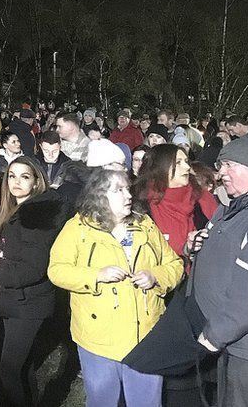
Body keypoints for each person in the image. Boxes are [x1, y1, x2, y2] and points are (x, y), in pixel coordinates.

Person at [49, 169, 184, 407]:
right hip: (98, 338)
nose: (128, 195)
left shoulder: (145, 225)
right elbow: (57, 270)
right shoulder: (78, 228)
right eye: (118, 190)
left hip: (146, 337)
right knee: (103, 401)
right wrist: (96, 276)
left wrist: (155, 276)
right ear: (99, 196)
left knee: (146, 403)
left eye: (127, 189)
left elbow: (174, 264)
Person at [0, 156, 68, 407]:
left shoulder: (38, 215)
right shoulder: (20, 210)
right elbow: (16, 248)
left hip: (27, 303)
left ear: (36, 182)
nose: (15, 182)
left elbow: (32, 267)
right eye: (12, 175)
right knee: (23, 368)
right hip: (15, 300)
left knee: (10, 370)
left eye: (24, 176)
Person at [188, 135, 248, 406]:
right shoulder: (232, 207)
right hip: (232, 342)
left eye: (229, 165)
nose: (221, 173)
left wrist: (214, 335)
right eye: (220, 165)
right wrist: (193, 246)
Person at [133, 144, 218, 259]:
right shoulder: (139, 204)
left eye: (186, 161)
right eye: (178, 163)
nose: (187, 167)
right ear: (160, 167)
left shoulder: (202, 199)